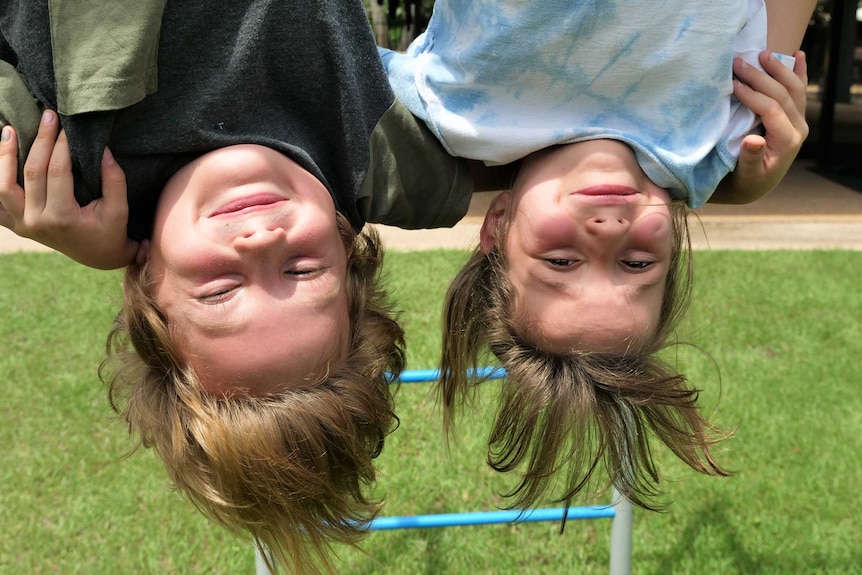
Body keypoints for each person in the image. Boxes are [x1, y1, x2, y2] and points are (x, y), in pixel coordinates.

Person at [0, 1, 483, 573]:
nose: (259, 241)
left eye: (221, 288)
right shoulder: (388, 163)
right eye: (303, 270)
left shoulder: (52, 164)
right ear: (346, 246)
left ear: (151, 292)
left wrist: (103, 238)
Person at [378, 0, 817, 512]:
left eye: (561, 262)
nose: (608, 230)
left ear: (498, 224)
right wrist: (739, 178)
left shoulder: (448, 111)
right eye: (636, 265)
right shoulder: (725, 136)